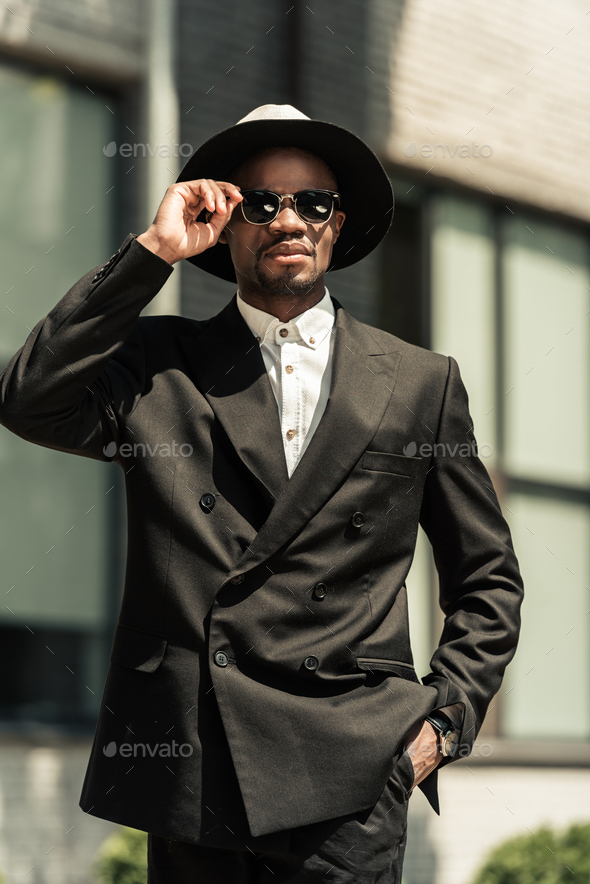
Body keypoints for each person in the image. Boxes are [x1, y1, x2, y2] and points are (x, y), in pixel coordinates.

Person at [0, 104, 524, 883]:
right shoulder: (157, 363)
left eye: (311, 202)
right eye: (259, 202)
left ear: (336, 225)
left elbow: (487, 576)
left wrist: (443, 721)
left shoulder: (419, 382)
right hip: (194, 763)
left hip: (352, 777)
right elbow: (29, 398)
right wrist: (151, 254)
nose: (288, 219)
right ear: (226, 220)